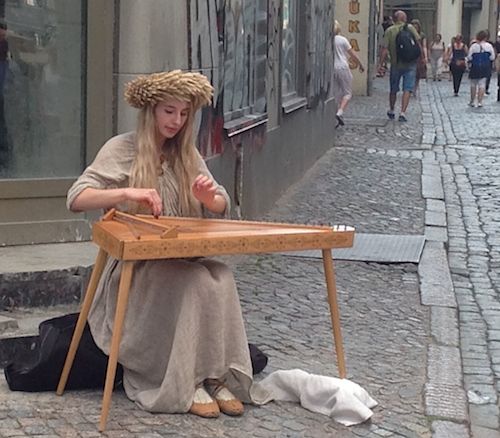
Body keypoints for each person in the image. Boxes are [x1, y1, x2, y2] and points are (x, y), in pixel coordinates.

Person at [66, 70, 266, 419]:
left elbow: (221, 202)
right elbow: (77, 197)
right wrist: (127, 192)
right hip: (134, 270)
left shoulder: (186, 154)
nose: (176, 121)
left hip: (181, 258)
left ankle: (213, 374)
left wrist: (211, 199)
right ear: (152, 111)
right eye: (169, 111)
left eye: (184, 113)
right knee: (195, 281)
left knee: (220, 275)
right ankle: (185, 381)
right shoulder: (122, 148)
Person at [377, 10, 420, 122]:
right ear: (404, 19)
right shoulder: (410, 28)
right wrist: (422, 58)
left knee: (393, 88)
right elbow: (418, 42)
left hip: (395, 64)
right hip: (410, 63)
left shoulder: (389, 31)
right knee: (407, 89)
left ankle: (391, 110)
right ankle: (403, 112)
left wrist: (380, 64)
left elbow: (384, 49)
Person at [332, 20, 364, 127]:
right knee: (347, 93)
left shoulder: (328, 40)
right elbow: (352, 54)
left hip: (332, 68)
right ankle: (340, 112)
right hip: (342, 67)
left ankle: (335, 117)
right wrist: (360, 64)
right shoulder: (342, 40)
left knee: (336, 92)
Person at [467, 30, 495, 107]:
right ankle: (480, 101)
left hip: (475, 67)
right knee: (482, 84)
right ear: (485, 37)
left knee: (473, 84)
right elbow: (492, 57)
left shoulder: (474, 46)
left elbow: (469, 57)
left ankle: (472, 101)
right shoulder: (489, 46)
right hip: (485, 67)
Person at [410, 19, 427, 97]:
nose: (415, 29)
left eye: (416, 27)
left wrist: (425, 57)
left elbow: (424, 46)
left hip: (419, 55)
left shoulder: (422, 35)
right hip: (410, 54)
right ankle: (410, 87)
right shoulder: (409, 34)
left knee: (417, 73)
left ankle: (414, 89)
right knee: (410, 72)